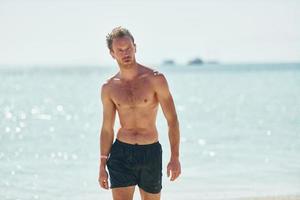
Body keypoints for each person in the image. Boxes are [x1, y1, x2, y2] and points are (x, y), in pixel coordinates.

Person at [98, 26, 181, 200]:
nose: (125, 53)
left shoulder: (155, 79)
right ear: (112, 53)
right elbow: (107, 128)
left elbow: (172, 120)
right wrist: (102, 164)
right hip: (121, 152)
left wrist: (175, 157)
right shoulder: (109, 87)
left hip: (150, 152)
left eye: (128, 48)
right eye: (119, 50)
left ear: (135, 47)